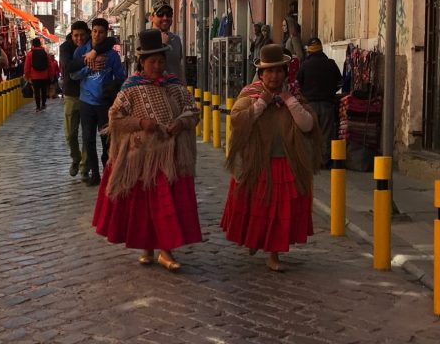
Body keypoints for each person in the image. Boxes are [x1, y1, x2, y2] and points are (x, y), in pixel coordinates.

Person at [92, 30, 202, 271]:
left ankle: (165, 250)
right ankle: (148, 248)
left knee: (165, 203)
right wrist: (141, 124)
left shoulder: (174, 85)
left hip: (170, 156)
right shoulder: (131, 88)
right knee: (144, 206)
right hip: (142, 157)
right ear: (142, 62)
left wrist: (181, 122)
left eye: (161, 60)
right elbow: (115, 117)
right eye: (152, 61)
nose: (157, 65)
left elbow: (193, 111)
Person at [222, 43, 320, 272]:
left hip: (285, 162)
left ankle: (273, 254)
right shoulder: (250, 94)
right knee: (258, 208)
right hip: (257, 163)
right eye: (269, 71)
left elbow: (307, 124)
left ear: (285, 73)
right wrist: (262, 103)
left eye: (278, 71)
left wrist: (289, 100)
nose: (274, 76)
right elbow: (238, 120)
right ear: (261, 74)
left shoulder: (293, 95)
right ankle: (257, 241)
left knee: (279, 211)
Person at [72, 18, 125, 186]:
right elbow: (73, 75)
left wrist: (113, 90)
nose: (97, 35)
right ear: (91, 32)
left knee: (107, 140)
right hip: (86, 102)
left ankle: (107, 171)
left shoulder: (112, 55)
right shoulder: (81, 51)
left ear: (106, 33)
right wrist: (90, 68)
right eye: (95, 31)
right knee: (88, 139)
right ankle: (94, 173)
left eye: (101, 32)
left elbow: (121, 77)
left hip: (105, 104)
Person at [296, 36, 342, 167]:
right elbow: (340, 82)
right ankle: (325, 161)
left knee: (310, 133)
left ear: (309, 51)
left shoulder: (305, 65)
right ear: (321, 49)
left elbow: (298, 84)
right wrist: (331, 90)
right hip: (327, 103)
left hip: (310, 105)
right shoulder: (331, 63)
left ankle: (312, 161)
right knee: (327, 133)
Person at [60, 21, 91, 175]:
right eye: (76, 35)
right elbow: (67, 66)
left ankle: (85, 167)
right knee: (70, 134)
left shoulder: (93, 45)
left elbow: (109, 42)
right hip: (71, 95)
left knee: (87, 134)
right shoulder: (65, 47)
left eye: (82, 35)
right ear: (71, 35)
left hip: (88, 95)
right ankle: (76, 157)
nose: (79, 38)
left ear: (87, 34)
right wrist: (88, 59)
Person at [150, 1, 185, 78]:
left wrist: (183, 87)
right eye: (160, 14)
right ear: (151, 17)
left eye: (168, 14)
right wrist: (162, 45)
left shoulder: (176, 39)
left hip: (175, 87)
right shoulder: (145, 38)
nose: (165, 18)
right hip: (154, 88)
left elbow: (179, 68)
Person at [23, 37, 53, 112]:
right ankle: (43, 104)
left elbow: (27, 66)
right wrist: (51, 75)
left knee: (36, 91)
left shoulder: (30, 54)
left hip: (35, 76)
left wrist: (27, 76)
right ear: (40, 44)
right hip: (44, 75)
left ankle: (38, 107)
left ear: (33, 45)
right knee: (43, 91)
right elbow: (50, 65)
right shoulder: (45, 53)